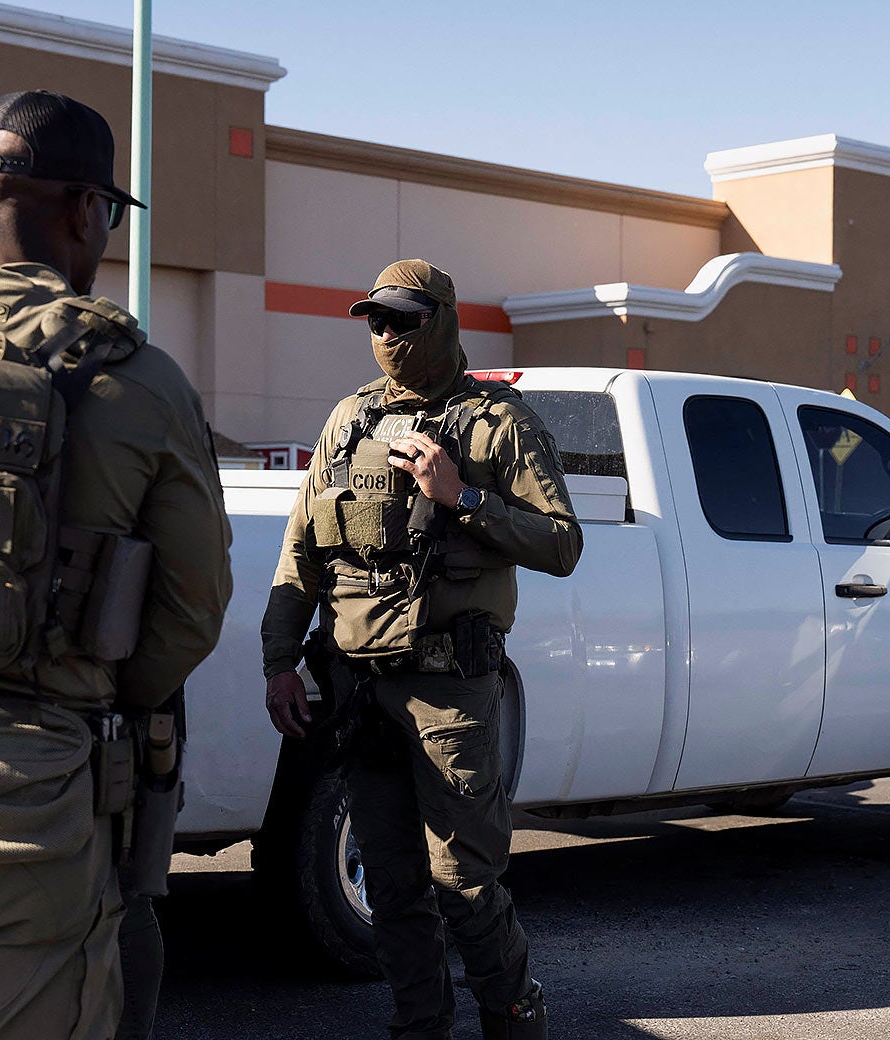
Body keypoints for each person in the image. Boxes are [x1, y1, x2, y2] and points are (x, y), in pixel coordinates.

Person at [0, 89, 232, 1039]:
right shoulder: (139, 379)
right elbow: (193, 606)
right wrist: (83, 689)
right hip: (38, 796)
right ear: (84, 209)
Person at [261, 259, 581, 1040]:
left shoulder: (497, 421)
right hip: (361, 692)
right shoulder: (350, 419)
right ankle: (419, 1027)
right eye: (376, 320)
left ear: (441, 320)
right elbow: (301, 548)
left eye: (402, 319)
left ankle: (513, 1019)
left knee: (464, 882)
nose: (386, 334)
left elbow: (562, 542)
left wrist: (461, 497)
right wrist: (277, 662)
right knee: (394, 884)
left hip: (449, 694)